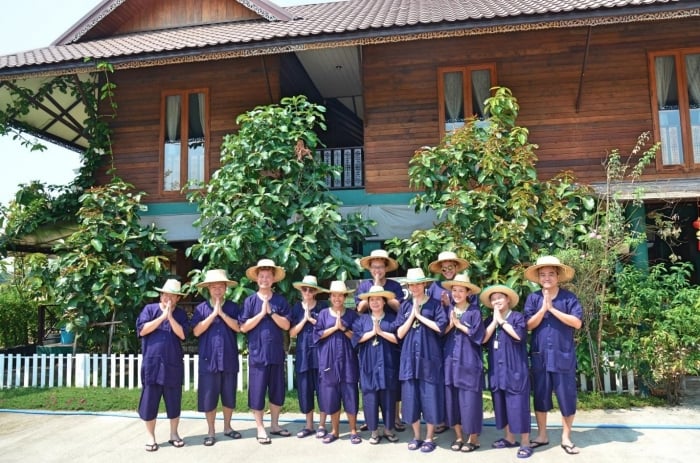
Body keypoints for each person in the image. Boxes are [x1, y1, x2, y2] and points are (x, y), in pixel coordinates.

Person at [523, 256, 583, 455]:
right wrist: (542, 309)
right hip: (540, 356)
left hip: (563, 356)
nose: (547, 278)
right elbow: (528, 325)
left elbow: (577, 323)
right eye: (543, 274)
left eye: (551, 274)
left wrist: (552, 309)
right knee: (540, 396)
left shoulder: (568, 298)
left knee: (567, 397)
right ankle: (542, 435)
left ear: (558, 276)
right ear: (538, 277)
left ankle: (566, 437)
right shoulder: (533, 298)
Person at [394, 268, 447, 453]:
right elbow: (399, 333)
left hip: (429, 358)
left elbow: (440, 328)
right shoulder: (405, 306)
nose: (414, 287)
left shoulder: (435, 305)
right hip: (409, 358)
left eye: (418, 283)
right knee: (410, 398)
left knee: (430, 396)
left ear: (425, 284)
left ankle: (429, 437)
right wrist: (412, 315)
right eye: (411, 284)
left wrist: (421, 317)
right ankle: (416, 436)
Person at [239, 259, 292, 444]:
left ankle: (275, 425)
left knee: (277, 391)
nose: (264, 279)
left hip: (276, 353)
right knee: (257, 392)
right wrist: (261, 314)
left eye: (268, 276)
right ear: (257, 279)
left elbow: (286, 325)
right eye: (261, 276)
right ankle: (260, 428)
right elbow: (244, 327)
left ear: (273, 279)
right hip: (257, 354)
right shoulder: (250, 301)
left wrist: (271, 312)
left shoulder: (280, 300)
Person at [355, 249, 406, 432]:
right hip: (368, 327)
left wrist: (383, 293)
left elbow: (399, 306)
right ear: (369, 269)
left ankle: (395, 418)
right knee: (370, 381)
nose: (377, 270)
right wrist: (373, 290)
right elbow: (360, 307)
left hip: (390, 327)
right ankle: (371, 420)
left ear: (386, 268)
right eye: (374, 267)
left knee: (391, 380)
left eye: (381, 267)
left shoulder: (393, 285)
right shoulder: (363, 285)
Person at [136, 278, 189, 452]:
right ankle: (151, 437)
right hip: (152, 365)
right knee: (150, 402)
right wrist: (162, 317)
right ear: (161, 295)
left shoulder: (180, 314)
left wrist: (170, 316)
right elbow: (143, 330)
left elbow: (182, 334)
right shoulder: (149, 310)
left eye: (173, 296)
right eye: (166, 295)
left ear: (178, 299)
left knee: (174, 402)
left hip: (172, 364)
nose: (169, 298)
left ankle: (174, 434)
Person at [191, 269, 242, 446]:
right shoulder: (201, 308)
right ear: (208, 289)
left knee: (229, 396)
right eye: (214, 287)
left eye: (220, 286)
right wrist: (213, 314)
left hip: (228, 358)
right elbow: (196, 331)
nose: (217, 290)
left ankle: (227, 427)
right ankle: (211, 431)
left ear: (226, 288)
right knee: (209, 396)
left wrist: (222, 314)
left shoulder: (233, 307)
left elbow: (239, 328)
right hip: (208, 359)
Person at [481, 284, 533, 459]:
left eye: (500, 297)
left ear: (508, 299)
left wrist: (502, 322)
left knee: (519, 405)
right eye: (493, 298)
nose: (496, 301)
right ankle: (509, 438)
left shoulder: (517, 317)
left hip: (515, 370)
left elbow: (519, 336)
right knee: (501, 405)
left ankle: (525, 442)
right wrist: (495, 321)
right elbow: (483, 338)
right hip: (497, 370)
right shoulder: (489, 321)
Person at [427, 250, 471, 435]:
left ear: (456, 267)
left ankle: (465, 421)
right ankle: (444, 418)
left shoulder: (464, 284)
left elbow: (471, 308)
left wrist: (450, 306)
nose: (447, 270)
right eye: (443, 268)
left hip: (461, 336)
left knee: (461, 380)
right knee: (442, 380)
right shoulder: (434, 288)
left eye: (450, 267)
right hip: (440, 336)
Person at [313, 280, 361, 444]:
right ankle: (334, 431)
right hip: (329, 360)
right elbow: (317, 335)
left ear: (345, 296)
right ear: (330, 296)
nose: (337, 298)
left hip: (348, 361)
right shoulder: (324, 314)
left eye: (340, 295)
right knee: (331, 396)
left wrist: (344, 329)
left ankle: (353, 431)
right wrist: (334, 327)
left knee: (350, 395)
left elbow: (357, 337)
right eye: (334, 295)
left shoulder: (352, 315)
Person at [351, 285, 401, 445]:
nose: (375, 302)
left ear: (384, 301)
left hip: (387, 364)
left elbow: (398, 338)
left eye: (378, 299)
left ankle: (388, 430)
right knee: (370, 398)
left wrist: (381, 332)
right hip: (369, 366)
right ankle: (373, 431)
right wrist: (373, 332)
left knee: (388, 397)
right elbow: (356, 339)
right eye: (372, 299)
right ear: (368, 302)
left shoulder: (392, 319)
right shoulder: (362, 320)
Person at [441, 273, 484, 453]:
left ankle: (473, 438)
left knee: (470, 400)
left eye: (461, 290)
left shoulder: (474, 312)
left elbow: (479, 336)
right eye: (454, 290)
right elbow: (440, 333)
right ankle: (458, 436)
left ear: (468, 292)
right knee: (452, 400)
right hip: (450, 361)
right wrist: (451, 325)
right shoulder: (447, 310)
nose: (457, 293)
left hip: (469, 362)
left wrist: (460, 325)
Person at [289, 275, 329, 439]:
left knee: (323, 390)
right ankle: (309, 425)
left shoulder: (323, 307)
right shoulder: (296, 308)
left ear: (315, 292)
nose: (307, 292)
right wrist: (303, 319)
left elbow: (327, 329)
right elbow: (291, 333)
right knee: (305, 390)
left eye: (310, 289)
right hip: (303, 353)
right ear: (301, 291)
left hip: (320, 353)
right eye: (304, 289)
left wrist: (313, 320)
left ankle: (321, 425)